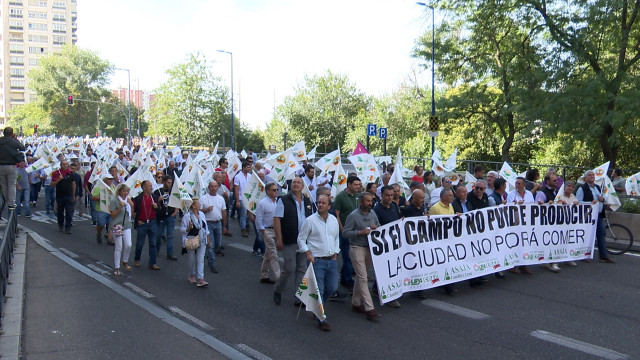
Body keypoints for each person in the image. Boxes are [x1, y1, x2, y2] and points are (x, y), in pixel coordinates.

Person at [297, 194, 340, 331]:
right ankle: (322, 318)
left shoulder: (333, 220)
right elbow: (301, 239)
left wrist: (335, 253)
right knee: (319, 290)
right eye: (318, 202)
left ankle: (316, 307)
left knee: (332, 288)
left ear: (329, 206)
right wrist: (308, 253)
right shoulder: (310, 221)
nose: (320, 204)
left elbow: (336, 237)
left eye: (323, 203)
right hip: (317, 261)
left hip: (331, 260)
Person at [273, 177, 315, 306]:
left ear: (303, 186)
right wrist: (279, 238)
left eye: (299, 183)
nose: (296, 184)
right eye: (294, 183)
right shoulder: (283, 200)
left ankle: (299, 297)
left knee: (301, 269)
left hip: (304, 241)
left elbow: (312, 220)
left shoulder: (308, 201)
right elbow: (277, 219)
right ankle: (278, 290)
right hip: (289, 239)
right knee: (289, 269)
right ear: (290, 186)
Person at [343, 193, 381, 320]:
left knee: (361, 277)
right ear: (361, 202)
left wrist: (376, 228)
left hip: (369, 249)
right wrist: (360, 232)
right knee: (363, 277)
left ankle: (356, 303)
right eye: (367, 201)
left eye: (371, 201)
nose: (370, 203)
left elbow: (379, 227)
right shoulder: (353, 216)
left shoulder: (373, 213)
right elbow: (345, 233)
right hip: (356, 248)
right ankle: (369, 308)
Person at [576, 170, 615, 264]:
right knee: (587, 235)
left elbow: (600, 200)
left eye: (593, 175)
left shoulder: (597, 187)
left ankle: (603, 256)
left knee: (601, 234)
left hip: (598, 215)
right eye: (589, 175)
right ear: (585, 178)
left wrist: (604, 203)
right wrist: (590, 203)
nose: (592, 176)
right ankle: (583, 254)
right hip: (588, 216)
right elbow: (578, 202)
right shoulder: (582, 188)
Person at [427, 188, 460, 294]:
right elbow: (431, 225)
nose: (452, 197)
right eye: (450, 195)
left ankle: (449, 282)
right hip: (439, 239)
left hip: (449, 239)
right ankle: (448, 285)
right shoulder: (435, 208)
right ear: (443, 197)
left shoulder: (451, 206)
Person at [333, 175, 362, 290]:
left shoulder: (358, 196)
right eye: (355, 184)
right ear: (348, 184)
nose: (357, 187)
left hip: (356, 232)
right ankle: (348, 279)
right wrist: (341, 228)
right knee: (348, 255)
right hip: (345, 231)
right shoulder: (340, 197)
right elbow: (337, 214)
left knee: (350, 255)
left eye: (359, 185)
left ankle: (345, 276)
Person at [181, 197, 210, 287]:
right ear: (193, 206)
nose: (199, 205)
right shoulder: (187, 216)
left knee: (200, 259)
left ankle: (201, 278)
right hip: (191, 240)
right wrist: (188, 228)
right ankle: (192, 274)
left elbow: (205, 227)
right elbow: (182, 229)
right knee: (192, 259)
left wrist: (208, 238)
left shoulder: (201, 214)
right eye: (198, 203)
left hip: (201, 239)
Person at [200, 180, 227, 273]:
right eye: (212, 186)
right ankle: (213, 264)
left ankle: (210, 256)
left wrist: (224, 226)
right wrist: (206, 210)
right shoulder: (203, 198)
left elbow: (224, 212)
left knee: (218, 244)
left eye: (215, 186)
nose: (213, 188)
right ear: (209, 187)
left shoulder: (220, 198)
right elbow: (199, 212)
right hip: (208, 224)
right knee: (210, 245)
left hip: (218, 223)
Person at [133, 180, 160, 270]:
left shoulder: (154, 197)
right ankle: (137, 259)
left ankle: (152, 263)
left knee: (153, 243)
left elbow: (159, 209)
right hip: (142, 223)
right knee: (140, 243)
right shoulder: (138, 198)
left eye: (151, 186)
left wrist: (157, 207)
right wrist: (137, 220)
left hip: (152, 222)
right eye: (149, 186)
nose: (151, 188)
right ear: (144, 187)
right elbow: (132, 211)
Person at [256, 182, 280, 284]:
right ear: (268, 191)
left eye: (276, 190)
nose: (276, 192)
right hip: (267, 230)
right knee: (273, 254)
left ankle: (264, 275)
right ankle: (279, 278)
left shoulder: (278, 202)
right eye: (274, 190)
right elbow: (259, 219)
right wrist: (263, 231)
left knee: (268, 254)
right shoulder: (262, 203)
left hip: (276, 230)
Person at [110, 184, 134, 276]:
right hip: (117, 225)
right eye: (124, 191)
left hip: (127, 224)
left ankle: (125, 261)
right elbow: (112, 215)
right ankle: (117, 267)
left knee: (128, 244)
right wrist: (120, 207)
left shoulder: (128, 200)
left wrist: (131, 205)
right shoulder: (114, 201)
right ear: (119, 191)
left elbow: (131, 215)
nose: (126, 193)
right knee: (118, 247)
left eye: (127, 191)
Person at [154, 175, 179, 261]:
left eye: (171, 182)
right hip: (161, 216)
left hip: (171, 215)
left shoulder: (173, 191)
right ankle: (156, 251)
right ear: (163, 182)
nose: (170, 184)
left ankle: (170, 253)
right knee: (158, 235)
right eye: (168, 182)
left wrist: (175, 212)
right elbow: (154, 204)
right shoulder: (158, 192)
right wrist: (158, 200)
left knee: (170, 235)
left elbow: (177, 201)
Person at [0, 127, 25, 208]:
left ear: (3, 133)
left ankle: (7, 200)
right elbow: (22, 148)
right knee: (12, 185)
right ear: (12, 133)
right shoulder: (14, 141)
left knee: (4, 185)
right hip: (11, 165)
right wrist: (15, 139)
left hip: (0, 166)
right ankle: (11, 202)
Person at [51, 160, 76, 234]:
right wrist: (59, 179)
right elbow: (52, 184)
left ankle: (68, 227)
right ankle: (60, 224)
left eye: (66, 164)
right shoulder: (56, 173)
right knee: (60, 212)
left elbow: (73, 184)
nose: (65, 165)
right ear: (61, 165)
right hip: (60, 196)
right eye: (63, 164)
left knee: (69, 212)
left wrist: (73, 194)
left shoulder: (70, 173)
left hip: (69, 195)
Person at [92, 174, 116, 244]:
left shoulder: (113, 187)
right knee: (101, 223)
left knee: (111, 224)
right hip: (101, 209)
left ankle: (110, 239)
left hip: (111, 209)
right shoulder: (99, 187)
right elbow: (93, 197)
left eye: (111, 179)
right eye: (109, 179)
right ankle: (99, 233)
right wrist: (102, 197)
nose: (111, 180)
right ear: (104, 179)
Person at [233, 161, 251, 237]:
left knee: (249, 213)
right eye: (248, 167)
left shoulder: (250, 176)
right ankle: (243, 229)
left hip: (249, 198)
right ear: (243, 168)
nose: (249, 168)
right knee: (243, 214)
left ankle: (246, 224)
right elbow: (236, 189)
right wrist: (237, 201)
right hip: (241, 197)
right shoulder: (238, 177)